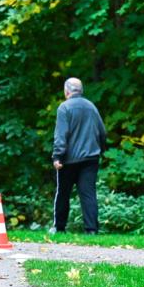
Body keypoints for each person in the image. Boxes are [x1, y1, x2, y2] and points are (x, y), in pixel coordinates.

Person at [51, 77, 107, 234]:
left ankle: (59, 228)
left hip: (68, 160)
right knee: (88, 194)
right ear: (81, 90)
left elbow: (61, 135)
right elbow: (102, 132)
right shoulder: (91, 107)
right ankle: (92, 230)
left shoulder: (64, 108)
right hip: (90, 159)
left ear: (66, 91)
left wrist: (57, 156)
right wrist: (100, 151)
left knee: (63, 193)